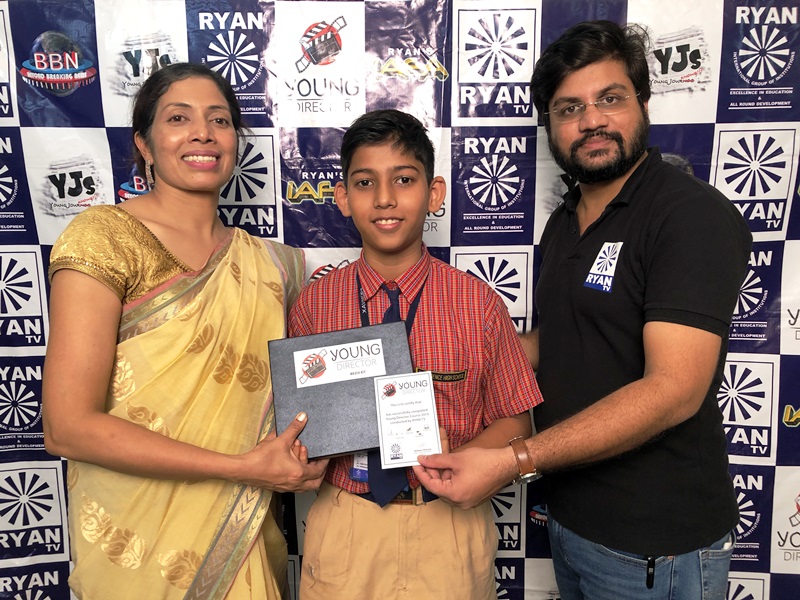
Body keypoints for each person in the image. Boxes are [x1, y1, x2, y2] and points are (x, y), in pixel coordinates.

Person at [414, 20, 752, 599]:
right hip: (573, 523)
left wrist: (514, 459)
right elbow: (559, 341)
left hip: (655, 545)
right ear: (550, 124)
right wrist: (445, 353)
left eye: (610, 99)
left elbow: (674, 389)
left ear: (643, 103)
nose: (592, 120)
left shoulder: (687, 215)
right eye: (570, 108)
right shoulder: (565, 220)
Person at [42, 63, 327, 600]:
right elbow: (67, 427)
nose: (202, 133)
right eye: (178, 118)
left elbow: (300, 399)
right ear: (144, 145)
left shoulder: (275, 266)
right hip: (134, 546)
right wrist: (241, 468)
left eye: (219, 120)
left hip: (238, 538)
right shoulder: (104, 237)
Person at [289, 109, 543, 599]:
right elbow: (297, 424)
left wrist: (460, 461)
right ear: (342, 197)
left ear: (434, 193)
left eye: (404, 179)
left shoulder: (477, 303)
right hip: (348, 521)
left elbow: (517, 421)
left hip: (448, 523)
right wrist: (300, 453)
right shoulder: (315, 304)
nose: (385, 198)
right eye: (365, 182)